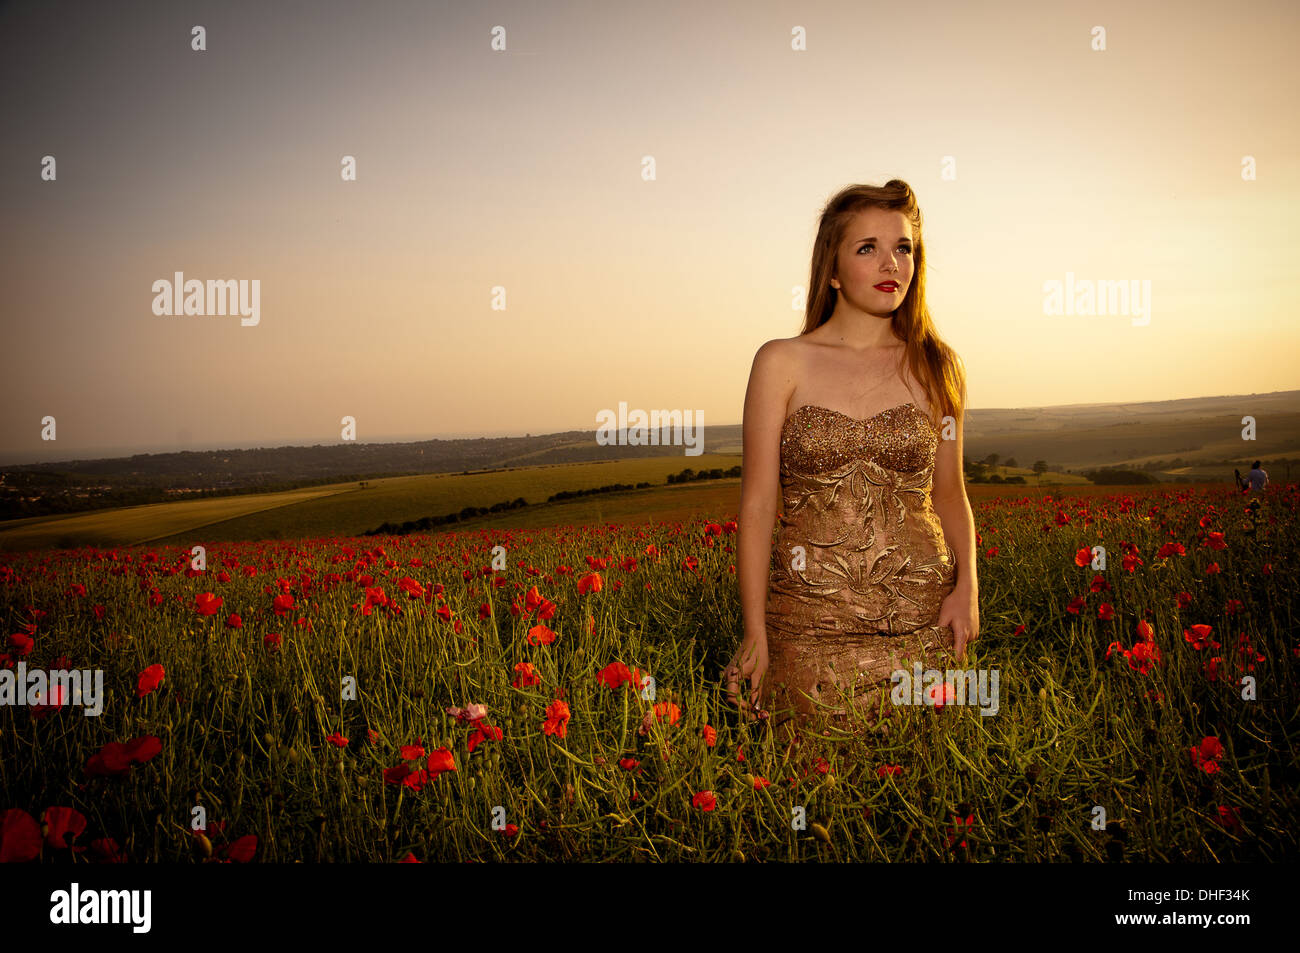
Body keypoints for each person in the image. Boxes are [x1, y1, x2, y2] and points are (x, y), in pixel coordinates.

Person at [724, 180, 979, 733]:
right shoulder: (780, 362)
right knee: (807, 791)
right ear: (833, 270)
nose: (892, 262)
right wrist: (754, 631)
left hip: (926, 627)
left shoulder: (940, 367)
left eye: (904, 247)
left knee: (929, 799)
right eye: (867, 247)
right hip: (807, 634)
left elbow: (950, 494)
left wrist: (967, 591)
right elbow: (758, 504)